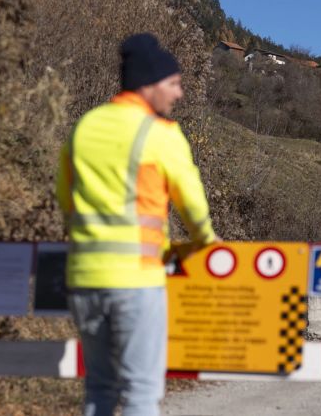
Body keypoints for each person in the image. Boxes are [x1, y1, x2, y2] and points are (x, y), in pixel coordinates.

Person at [55, 33, 217, 416]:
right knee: (142, 392)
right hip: (136, 280)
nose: (178, 95)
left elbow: (65, 197)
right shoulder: (161, 134)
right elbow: (192, 203)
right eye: (174, 84)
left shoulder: (85, 126)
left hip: (82, 279)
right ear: (150, 84)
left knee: (99, 388)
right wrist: (205, 240)